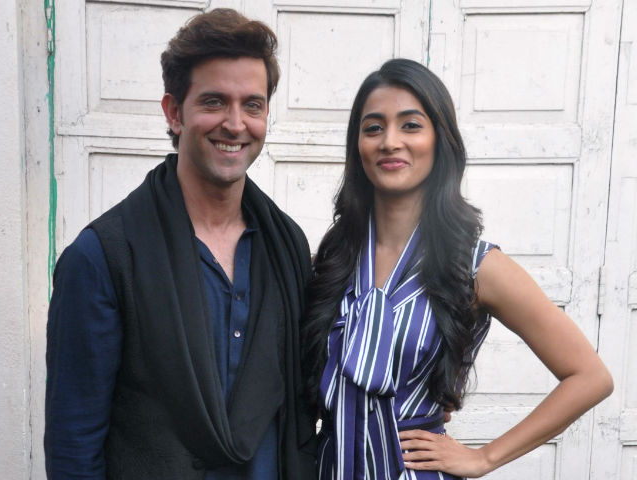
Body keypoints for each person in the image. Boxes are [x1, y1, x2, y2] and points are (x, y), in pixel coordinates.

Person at [301, 58, 614, 480]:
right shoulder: (333, 259)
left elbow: (590, 377)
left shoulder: (476, 265)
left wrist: (484, 458)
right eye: (373, 128)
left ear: (440, 139)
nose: (390, 141)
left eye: (411, 125)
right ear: (358, 146)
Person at [45, 9, 316, 479]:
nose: (236, 124)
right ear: (174, 112)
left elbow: (321, 383)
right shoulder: (103, 258)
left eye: (252, 105)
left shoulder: (286, 246)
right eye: (214, 101)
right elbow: (74, 444)